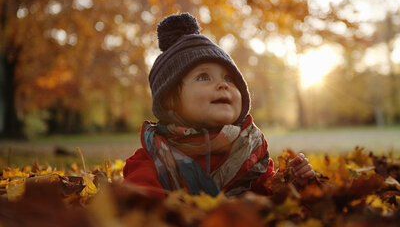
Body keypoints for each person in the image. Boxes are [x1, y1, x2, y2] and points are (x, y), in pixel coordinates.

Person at [123, 13, 314, 198]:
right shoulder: (153, 158)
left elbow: (268, 190)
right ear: (170, 99)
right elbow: (138, 206)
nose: (223, 84)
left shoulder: (248, 149)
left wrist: (291, 181)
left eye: (229, 78)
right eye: (204, 77)